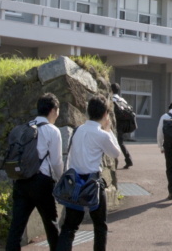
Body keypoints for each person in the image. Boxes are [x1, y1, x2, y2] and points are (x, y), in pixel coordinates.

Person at [57, 94, 122, 251]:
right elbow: (116, 153)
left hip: (75, 183)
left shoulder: (78, 130)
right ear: (106, 114)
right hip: (93, 183)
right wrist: (109, 130)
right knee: (100, 226)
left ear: (88, 111)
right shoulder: (102, 135)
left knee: (69, 227)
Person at [6, 93, 64, 251]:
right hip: (41, 182)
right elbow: (56, 162)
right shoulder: (52, 130)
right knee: (51, 225)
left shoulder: (24, 128)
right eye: (58, 110)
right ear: (53, 110)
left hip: (20, 181)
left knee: (16, 227)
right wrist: (61, 180)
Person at [110, 83, 134, 169]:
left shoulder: (111, 99)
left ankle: (125, 160)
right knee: (120, 142)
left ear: (111, 90)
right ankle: (128, 160)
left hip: (115, 124)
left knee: (115, 142)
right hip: (123, 124)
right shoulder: (122, 100)